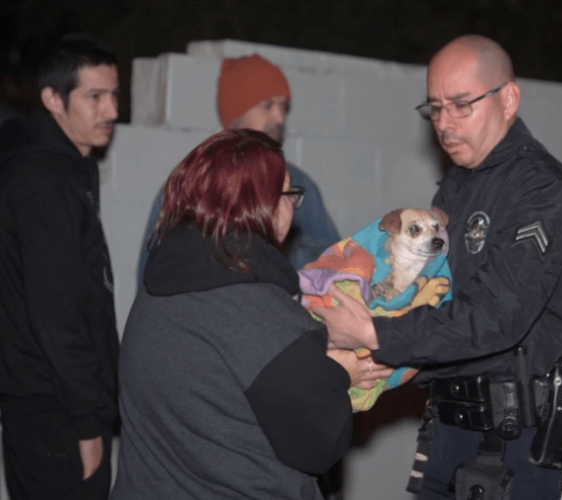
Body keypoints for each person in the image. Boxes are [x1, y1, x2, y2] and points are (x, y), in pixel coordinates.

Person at [312, 35, 562, 500]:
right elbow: (442, 304)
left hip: (521, 443)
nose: (444, 123)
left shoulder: (542, 191)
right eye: (435, 108)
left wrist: (375, 336)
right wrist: (387, 368)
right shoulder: (456, 192)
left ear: (508, 98)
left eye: (461, 105)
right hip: (451, 430)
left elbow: (497, 318)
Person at [111, 129, 392, 500]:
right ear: (265, 204)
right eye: (290, 194)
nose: (293, 206)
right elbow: (319, 445)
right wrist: (340, 374)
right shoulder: (261, 311)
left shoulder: (158, 287)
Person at [0, 36, 120, 500]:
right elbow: (57, 313)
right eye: (95, 96)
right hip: (55, 413)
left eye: (114, 94)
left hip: (49, 405)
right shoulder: (43, 181)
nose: (110, 110)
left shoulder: (62, 166)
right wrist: (87, 422)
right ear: (53, 99)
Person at [138, 54, 339, 280]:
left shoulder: (301, 185)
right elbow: (154, 284)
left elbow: (338, 274)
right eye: (267, 105)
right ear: (235, 112)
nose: (280, 117)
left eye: (284, 106)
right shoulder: (188, 188)